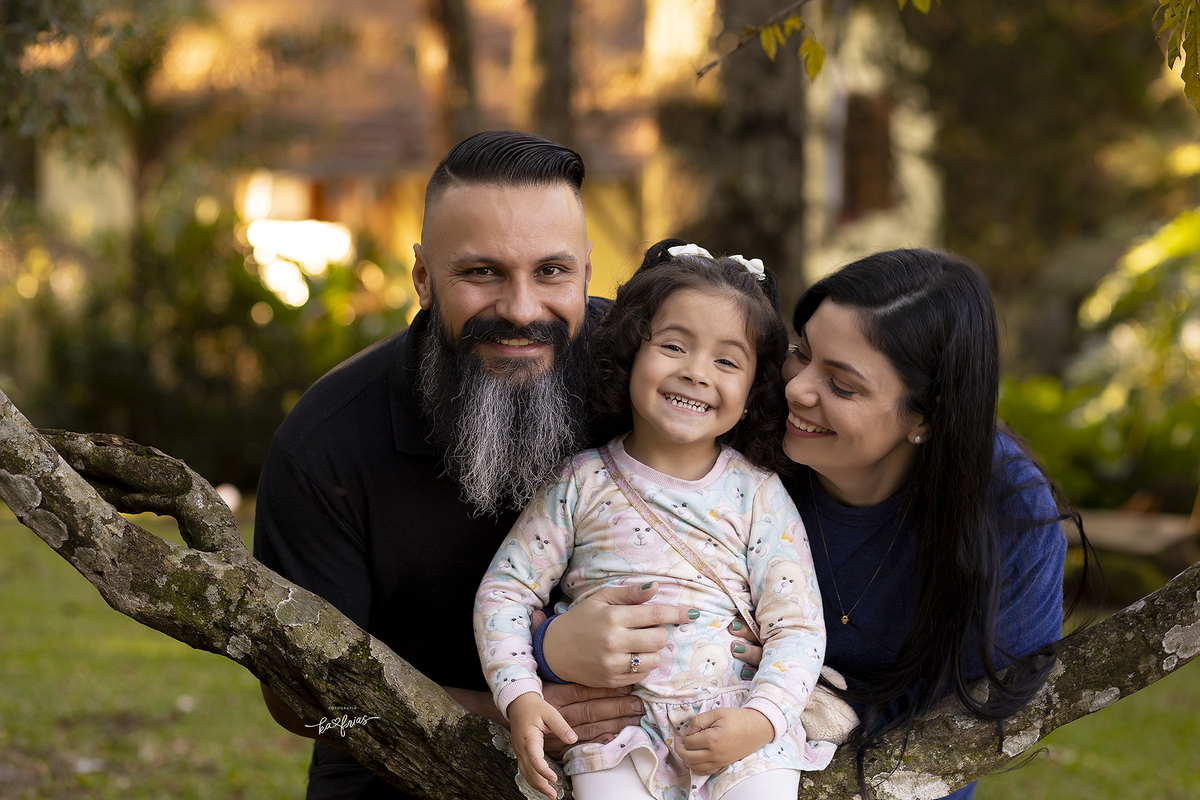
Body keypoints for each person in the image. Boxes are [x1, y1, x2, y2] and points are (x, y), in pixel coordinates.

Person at [537, 248, 1085, 800]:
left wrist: (798, 693)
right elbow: (583, 560)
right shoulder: (731, 428)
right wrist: (549, 647)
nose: (797, 389)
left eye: (842, 385)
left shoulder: (1005, 511)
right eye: (801, 352)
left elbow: (985, 713)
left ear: (925, 415)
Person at [253, 131, 689, 800]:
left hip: (649, 763)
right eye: (483, 272)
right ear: (423, 278)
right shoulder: (325, 444)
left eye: (551, 271)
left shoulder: (652, 376)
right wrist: (514, 712)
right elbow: (301, 702)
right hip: (400, 776)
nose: (521, 309)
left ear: (586, 271)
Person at [475, 240, 836, 800]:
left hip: (739, 728)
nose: (695, 372)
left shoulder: (759, 494)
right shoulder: (579, 482)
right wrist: (520, 695)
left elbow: (798, 626)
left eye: (726, 361)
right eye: (673, 346)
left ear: (752, 390)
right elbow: (505, 592)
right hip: (616, 729)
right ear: (630, 354)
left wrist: (762, 720)